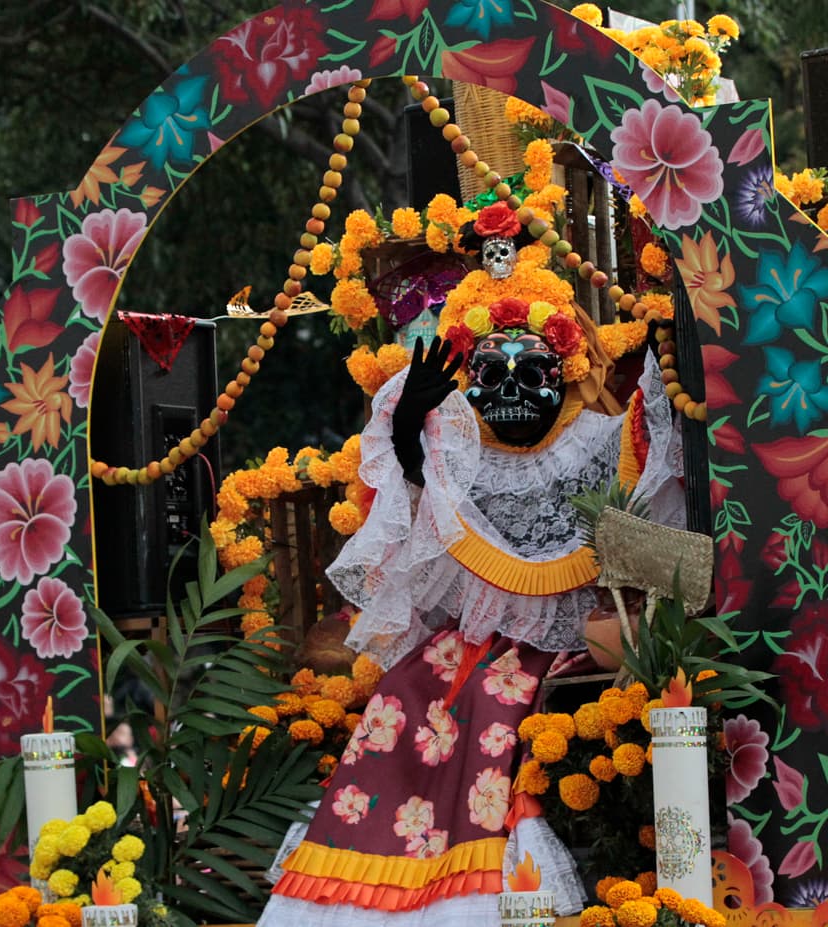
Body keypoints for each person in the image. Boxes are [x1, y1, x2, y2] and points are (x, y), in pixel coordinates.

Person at [258, 203, 682, 927]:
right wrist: (409, 443)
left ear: (569, 365)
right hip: (467, 649)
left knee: (492, 695)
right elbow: (414, 538)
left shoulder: (609, 438)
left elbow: (657, 541)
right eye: (490, 369)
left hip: (582, 645)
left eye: (533, 367)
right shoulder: (454, 450)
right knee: (408, 693)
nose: (512, 385)